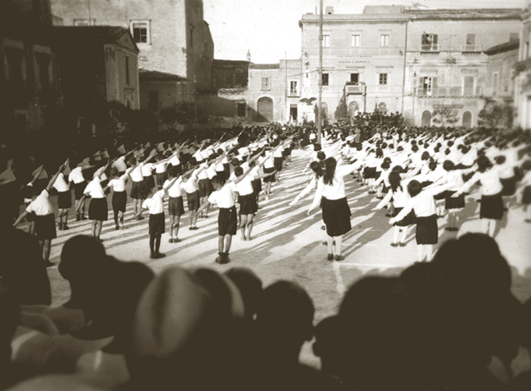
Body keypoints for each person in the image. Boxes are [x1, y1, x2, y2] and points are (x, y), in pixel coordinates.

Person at [13, 159, 69, 267]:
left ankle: (38, 260)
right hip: (48, 219)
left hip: (40, 220)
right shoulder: (43, 195)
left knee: (40, 242)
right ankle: (45, 261)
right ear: (35, 192)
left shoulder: (31, 205)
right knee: (47, 243)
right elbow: (51, 182)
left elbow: (22, 216)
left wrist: (14, 225)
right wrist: (58, 171)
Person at [308, 157, 356, 261]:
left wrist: (312, 207)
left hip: (328, 205)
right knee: (338, 231)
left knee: (330, 229)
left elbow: (318, 195)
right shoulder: (339, 174)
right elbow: (353, 166)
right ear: (334, 166)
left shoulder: (322, 179)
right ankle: (338, 254)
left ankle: (330, 253)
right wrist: (362, 159)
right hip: (340, 203)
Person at [389, 180, 445, 262]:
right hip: (432, 219)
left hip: (421, 220)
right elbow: (440, 188)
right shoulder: (428, 192)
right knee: (429, 242)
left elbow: (405, 211)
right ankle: (429, 260)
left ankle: (419, 260)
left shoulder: (413, 200)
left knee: (420, 242)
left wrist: (395, 219)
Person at [451, 155, 504, 237]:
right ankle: (491, 237)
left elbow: (469, 182)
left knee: (485, 219)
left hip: (487, 198)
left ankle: (484, 237)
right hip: (496, 197)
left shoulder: (478, 174)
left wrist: (458, 192)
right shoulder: (495, 169)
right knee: (493, 219)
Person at [133, 175, 178, 259]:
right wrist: (175, 179)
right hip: (160, 217)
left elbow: (140, 211)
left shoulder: (146, 201)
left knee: (152, 236)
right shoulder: (158, 194)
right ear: (150, 190)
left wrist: (135, 216)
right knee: (158, 236)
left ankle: (152, 253)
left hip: (152, 218)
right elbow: (168, 187)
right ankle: (157, 252)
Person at [194, 175, 238, 264]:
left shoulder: (227, 186)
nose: (213, 185)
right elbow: (206, 203)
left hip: (227, 212)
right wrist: (197, 212)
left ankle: (224, 255)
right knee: (223, 235)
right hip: (226, 212)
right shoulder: (216, 192)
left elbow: (239, 178)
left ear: (218, 182)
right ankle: (223, 255)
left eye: (213, 183)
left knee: (226, 235)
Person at [77, 162, 110, 241]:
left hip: (94, 202)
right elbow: (101, 171)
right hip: (101, 201)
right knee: (99, 222)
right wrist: (108, 164)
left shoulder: (88, 186)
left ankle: (93, 236)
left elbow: (83, 196)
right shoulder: (96, 180)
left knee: (94, 222)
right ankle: (97, 237)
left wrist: (78, 208)